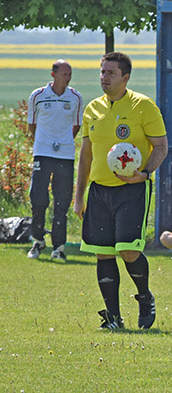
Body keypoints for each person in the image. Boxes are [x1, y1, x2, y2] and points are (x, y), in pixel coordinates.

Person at [74, 52, 168, 330]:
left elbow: (161, 146)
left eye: (111, 73)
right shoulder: (92, 109)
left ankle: (144, 297)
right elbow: (86, 156)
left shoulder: (143, 106)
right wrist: (79, 196)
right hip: (99, 190)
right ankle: (113, 318)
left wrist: (145, 173)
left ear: (125, 77)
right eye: (102, 72)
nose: (104, 77)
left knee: (128, 250)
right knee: (103, 252)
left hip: (133, 190)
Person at [26, 59, 82, 262]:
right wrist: (44, 143)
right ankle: (38, 241)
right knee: (38, 199)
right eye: (65, 74)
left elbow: (76, 126)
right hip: (42, 153)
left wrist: (62, 142)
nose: (68, 78)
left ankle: (58, 247)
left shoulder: (75, 97)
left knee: (62, 201)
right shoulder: (38, 95)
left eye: (70, 74)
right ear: (53, 75)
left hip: (65, 155)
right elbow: (32, 125)